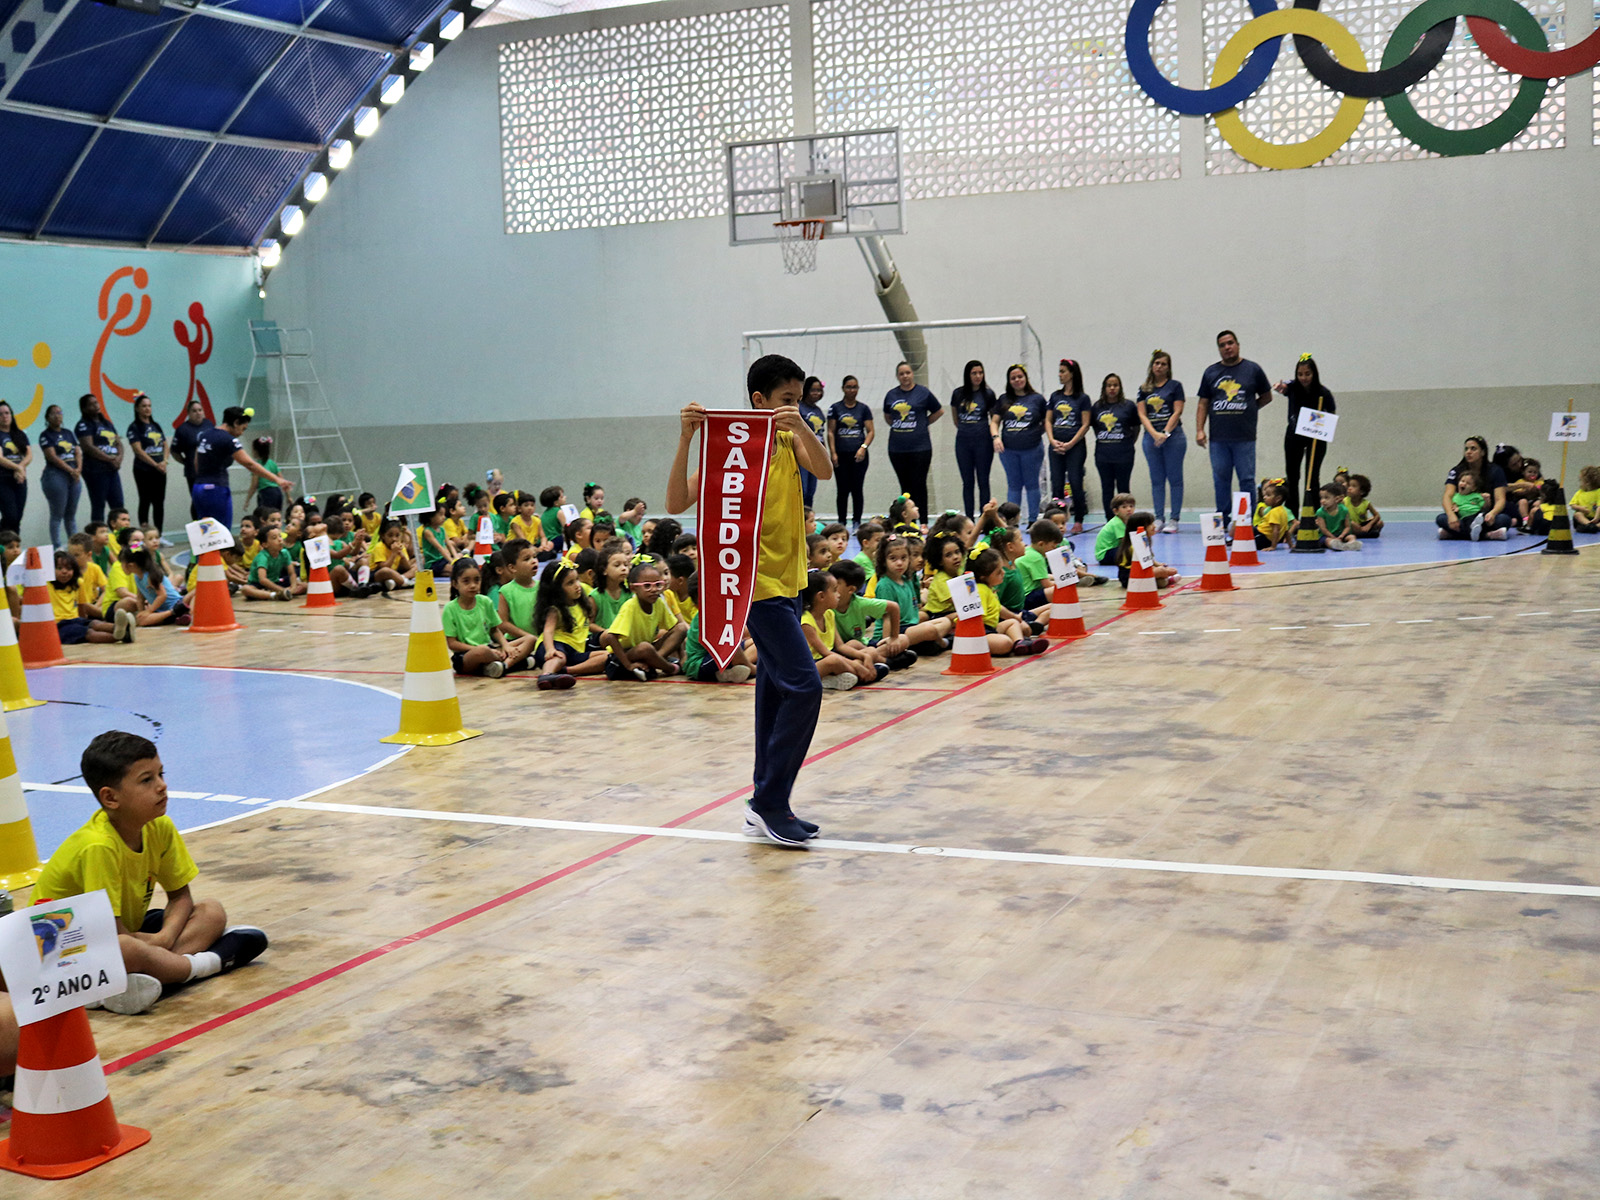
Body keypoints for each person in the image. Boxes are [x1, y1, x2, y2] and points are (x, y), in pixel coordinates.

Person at [667, 354, 832, 848]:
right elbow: (676, 502)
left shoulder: (789, 437)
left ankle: (765, 801)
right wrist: (686, 439)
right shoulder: (730, 450)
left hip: (790, 582)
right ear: (759, 400)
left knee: (775, 689)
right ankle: (769, 802)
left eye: (799, 400)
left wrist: (801, 426)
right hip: (754, 587)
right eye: (786, 399)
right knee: (805, 688)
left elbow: (824, 469)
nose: (794, 407)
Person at [32, 731, 268, 1014]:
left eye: (160, 774)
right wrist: (155, 945)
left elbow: (180, 897)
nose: (162, 786)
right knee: (127, 949)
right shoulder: (99, 846)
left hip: (124, 932)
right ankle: (204, 965)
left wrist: (164, 938)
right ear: (110, 797)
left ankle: (139, 979)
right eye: (147, 780)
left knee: (211, 912)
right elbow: (111, 933)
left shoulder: (160, 826)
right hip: (62, 952)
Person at [1196, 329, 1273, 518]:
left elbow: (1267, 396)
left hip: (1245, 437)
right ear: (1219, 349)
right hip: (1218, 439)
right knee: (1221, 480)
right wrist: (1199, 430)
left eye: (1230, 343)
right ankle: (1223, 519)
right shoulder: (1211, 372)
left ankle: (1247, 519)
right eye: (1222, 345)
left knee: (1246, 480)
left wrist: (1250, 408)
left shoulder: (1253, 369)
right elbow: (1203, 403)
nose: (1227, 347)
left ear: (1237, 345)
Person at [191, 407, 292, 529]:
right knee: (220, 530)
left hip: (198, 488)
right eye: (243, 428)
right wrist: (277, 479)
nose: (241, 433)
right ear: (236, 423)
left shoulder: (204, 435)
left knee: (205, 529)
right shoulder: (228, 440)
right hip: (216, 490)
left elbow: (196, 462)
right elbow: (250, 464)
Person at [444, 558, 534, 678]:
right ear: (455, 584)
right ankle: (517, 663)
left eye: (477, 580)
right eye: (466, 581)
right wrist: (479, 649)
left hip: (490, 650)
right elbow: (452, 643)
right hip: (466, 656)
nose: (473, 585)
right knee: (482, 651)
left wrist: (506, 646)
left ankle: (503, 666)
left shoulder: (485, 601)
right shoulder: (450, 609)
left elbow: (494, 630)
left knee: (530, 639)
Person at [600, 557, 686, 680]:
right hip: (623, 656)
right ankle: (671, 668)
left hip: (648, 650)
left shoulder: (659, 602)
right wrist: (628, 665)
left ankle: (655, 661)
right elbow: (611, 637)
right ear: (633, 588)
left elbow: (675, 629)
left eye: (658, 585)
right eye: (647, 586)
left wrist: (683, 655)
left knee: (681, 628)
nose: (654, 590)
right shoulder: (630, 606)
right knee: (645, 647)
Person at [1274, 354, 1335, 513]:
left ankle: (1313, 515)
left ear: (1314, 374)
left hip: (1316, 440)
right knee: (1292, 476)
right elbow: (1285, 385)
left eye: (1307, 374)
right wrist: (1281, 386)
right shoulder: (1293, 388)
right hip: (1293, 438)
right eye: (1300, 374)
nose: (1304, 378)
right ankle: (1292, 515)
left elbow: (1331, 412)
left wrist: (1321, 421)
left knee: (1312, 478)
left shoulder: (1323, 393)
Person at [881, 361, 942, 520]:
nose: (905, 376)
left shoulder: (923, 392)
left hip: (921, 448)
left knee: (919, 484)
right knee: (905, 487)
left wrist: (923, 422)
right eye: (901, 374)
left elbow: (939, 411)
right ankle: (909, 521)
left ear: (912, 374)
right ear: (897, 376)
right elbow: (888, 416)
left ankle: (923, 521)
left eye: (907, 373)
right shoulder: (891, 395)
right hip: (897, 448)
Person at [799, 569, 877, 690]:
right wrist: (856, 665)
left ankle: (834, 678)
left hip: (831, 655)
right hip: (815, 664)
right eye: (834, 590)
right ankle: (862, 674)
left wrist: (863, 656)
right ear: (821, 596)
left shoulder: (829, 614)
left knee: (859, 646)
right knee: (833, 660)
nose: (838, 594)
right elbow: (825, 653)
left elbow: (840, 646)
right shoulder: (806, 622)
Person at [1136, 350, 1186, 533]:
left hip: (1174, 437)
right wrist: (1155, 434)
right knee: (1157, 479)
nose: (1159, 367)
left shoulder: (1175, 386)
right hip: (1151, 438)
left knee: (1175, 478)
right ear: (1152, 366)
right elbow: (1142, 414)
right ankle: (1158, 518)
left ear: (1168, 367)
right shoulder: (1144, 389)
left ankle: (1174, 519)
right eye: (1157, 363)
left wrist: (1165, 433)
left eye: (1163, 364)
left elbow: (1177, 411)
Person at [991, 364, 1046, 522]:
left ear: (1026, 378)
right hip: (1009, 451)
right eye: (1013, 378)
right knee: (1014, 485)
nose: (1017, 380)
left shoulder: (1037, 399)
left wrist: (1035, 433)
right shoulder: (1004, 399)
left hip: (1032, 449)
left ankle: (1033, 520)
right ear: (1009, 381)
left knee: (1032, 484)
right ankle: (1012, 521)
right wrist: (996, 437)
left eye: (1020, 376)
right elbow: (994, 422)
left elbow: (1047, 421)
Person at [1090, 374, 1148, 518]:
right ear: (1104, 388)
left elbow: (1136, 428)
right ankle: (1110, 521)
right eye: (1109, 385)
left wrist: (1127, 442)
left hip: (1124, 455)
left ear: (1120, 387)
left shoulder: (1128, 406)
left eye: (1115, 385)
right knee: (1107, 489)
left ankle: (1125, 520)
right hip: (1103, 456)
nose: (1112, 388)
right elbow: (1095, 428)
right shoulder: (1097, 407)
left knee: (1123, 489)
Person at [1047, 359, 1091, 533]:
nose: (1060, 375)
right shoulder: (1055, 396)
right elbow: (1048, 420)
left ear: (1072, 374)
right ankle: (1057, 520)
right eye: (1059, 371)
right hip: (1056, 445)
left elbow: (1085, 424)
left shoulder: (1082, 398)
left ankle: (1078, 519)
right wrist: (1052, 440)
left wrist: (1071, 443)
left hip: (1075, 446)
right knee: (1057, 483)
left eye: (1063, 371)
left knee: (1075, 481)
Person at [1437, 436, 1511, 540]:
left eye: (1473, 449)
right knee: (1441, 518)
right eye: (1466, 449)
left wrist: (1492, 513)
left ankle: (1454, 534)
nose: (1468, 452)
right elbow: (1447, 496)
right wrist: (1450, 515)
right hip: (1462, 515)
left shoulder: (1495, 471)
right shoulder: (1456, 471)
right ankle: (1486, 535)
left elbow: (1500, 499)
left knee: (1504, 519)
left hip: (1484, 516)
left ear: (1483, 452)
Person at [826, 375, 874, 529]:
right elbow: (830, 431)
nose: (852, 390)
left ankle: (856, 522)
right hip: (841, 455)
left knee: (857, 489)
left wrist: (863, 448)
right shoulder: (835, 408)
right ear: (843, 389)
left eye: (854, 387)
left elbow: (871, 431)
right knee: (842, 489)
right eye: (848, 387)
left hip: (858, 456)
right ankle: (842, 522)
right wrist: (833, 453)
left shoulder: (864, 409)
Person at [951, 360, 996, 517]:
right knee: (968, 482)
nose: (978, 376)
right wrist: (967, 429)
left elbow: (994, 419)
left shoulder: (988, 394)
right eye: (974, 373)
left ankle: (985, 518)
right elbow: (956, 419)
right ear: (968, 375)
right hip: (963, 443)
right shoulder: (958, 394)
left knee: (983, 481)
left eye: (980, 373)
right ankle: (969, 519)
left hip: (983, 442)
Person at [75, 393, 124, 523]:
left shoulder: (107, 423)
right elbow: (88, 447)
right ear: (84, 409)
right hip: (95, 470)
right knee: (99, 504)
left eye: (96, 402)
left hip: (112, 469)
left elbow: (118, 443)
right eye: (91, 404)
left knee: (118, 505)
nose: (96, 406)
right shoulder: (83, 425)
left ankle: (120, 534)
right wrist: (109, 459)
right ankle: (98, 534)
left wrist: (119, 458)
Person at [125, 392, 168, 533]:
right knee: (145, 500)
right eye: (143, 406)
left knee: (159, 502)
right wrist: (155, 464)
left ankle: (159, 535)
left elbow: (165, 445)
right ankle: (143, 534)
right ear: (137, 408)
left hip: (160, 470)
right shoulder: (134, 427)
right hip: (143, 470)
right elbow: (138, 450)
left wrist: (164, 462)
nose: (147, 409)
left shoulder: (156, 425)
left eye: (149, 406)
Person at [40, 403, 82, 547]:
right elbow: (52, 456)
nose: (57, 416)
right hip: (56, 475)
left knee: (71, 515)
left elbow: (77, 451)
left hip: (74, 474)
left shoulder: (68, 433)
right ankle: (57, 547)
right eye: (54, 413)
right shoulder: (46, 435)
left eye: (60, 412)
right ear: (47, 417)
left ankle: (76, 547)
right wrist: (70, 470)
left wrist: (78, 469)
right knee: (57, 514)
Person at [170, 398, 212, 520]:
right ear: (188, 413)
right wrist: (186, 462)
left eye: (200, 410)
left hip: (210, 471)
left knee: (211, 499)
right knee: (197, 500)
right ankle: (197, 524)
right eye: (194, 411)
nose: (198, 413)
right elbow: (175, 451)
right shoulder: (182, 429)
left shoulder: (209, 425)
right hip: (193, 473)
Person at [0, 400, 31, 533]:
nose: (4, 416)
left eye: (7, 413)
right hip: (3, 479)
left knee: (17, 517)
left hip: (19, 478)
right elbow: (0, 458)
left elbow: (29, 455)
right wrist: (17, 468)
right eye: (1, 414)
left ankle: (13, 544)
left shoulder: (19, 434)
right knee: (10, 515)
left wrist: (21, 467)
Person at [798, 376, 828, 507]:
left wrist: (824, 452)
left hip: (815, 453)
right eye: (813, 390)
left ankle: (808, 514)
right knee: (802, 488)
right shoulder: (799, 408)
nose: (816, 393)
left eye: (819, 390)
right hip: (804, 451)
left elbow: (821, 433)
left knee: (811, 490)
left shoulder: (818, 410)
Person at [243, 435, 284, 515]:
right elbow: (282, 480)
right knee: (276, 516)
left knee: (264, 517)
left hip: (266, 493)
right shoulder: (272, 463)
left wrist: (247, 500)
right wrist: (288, 496)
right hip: (277, 493)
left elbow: (254, 485)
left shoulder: (257, 466)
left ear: (256, 451)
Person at [1314, 483, 1361, 551]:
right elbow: (1323, 529)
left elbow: (1347, 527)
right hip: (1326, 535)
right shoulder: (1320, 512)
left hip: (1340, 534)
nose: (1322, 501)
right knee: (1327, 540)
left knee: (1351, 536)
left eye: (1326, 498)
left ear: (1336, 499)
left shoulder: (1344, 510)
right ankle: (1336, 545)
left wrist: (1342, 535)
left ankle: (1352, 544)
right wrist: (1333, 537)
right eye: (1321, 498)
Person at [1095, 493, 1137, 568]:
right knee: (1132, 551)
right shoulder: (1117, 523)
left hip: (1113, 549)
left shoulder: (1128, 521)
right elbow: (1126, 541)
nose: (1129, 509)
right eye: (1124, 507)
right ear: (1116, 511)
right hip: (1105, 554)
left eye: (1131, 506)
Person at [1253, 481, 1294, 551]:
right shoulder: (1283, 511)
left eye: (1268, 495)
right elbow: (1286, 531)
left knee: (1247, 528)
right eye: (1265, 495)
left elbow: (1276, 530)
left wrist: (1273, 546)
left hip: (1262, 537)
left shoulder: (1274, 512)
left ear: (1278, 499)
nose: (1264, 497)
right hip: (1265, 538)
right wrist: (1291, 545)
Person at [1570, 465, 1600, 533]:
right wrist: (1580, 508)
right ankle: (1589, 525)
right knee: (1577, 514)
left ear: (1587, 483)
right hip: (1585, 518)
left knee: (1581, 527)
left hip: (1597, 518)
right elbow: (1572, 505)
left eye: (1580, 480)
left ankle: (1596, 526)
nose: (1580, 483)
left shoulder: (1598, 492)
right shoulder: (1579, 493)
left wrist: (1596, 517)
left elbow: (1599, 506)